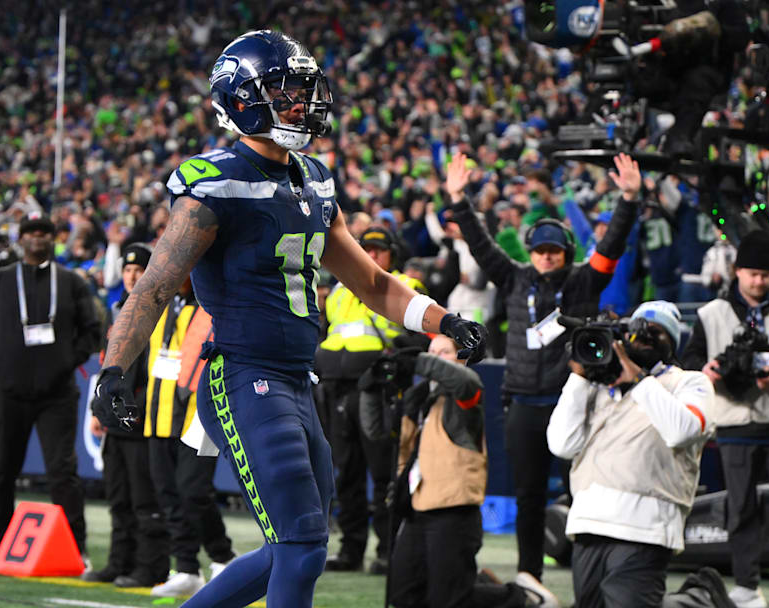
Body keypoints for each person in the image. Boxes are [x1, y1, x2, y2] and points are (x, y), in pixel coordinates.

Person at [92, 29, 485, 608]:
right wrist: (114, 370)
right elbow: (155, 285)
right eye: (283, 91)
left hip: (298, 380)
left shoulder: (313, 177)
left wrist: (443, 321)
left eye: (302, 89)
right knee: (299, 544)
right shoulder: (214, 183)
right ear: (243, 98)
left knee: (298, 548)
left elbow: (372, 282)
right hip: (243, 376)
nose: (300, 103)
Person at [447, 151, 642, 584]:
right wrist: (459, 200)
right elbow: (481, 245)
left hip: (572, 403)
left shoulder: (584, 281)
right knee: (528, 497)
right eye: (540, 251)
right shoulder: (514, 277)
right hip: (522, 404)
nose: (546, 257)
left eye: (554, 251)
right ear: (531, 253)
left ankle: (588, 577)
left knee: (585, 494)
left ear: (566, 253)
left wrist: (629, 198)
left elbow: (611, 245)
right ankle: (528, 579)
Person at [548, 301, 714, 607]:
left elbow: (681, 430)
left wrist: (637, 380)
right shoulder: (597, 386)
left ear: (674, 344)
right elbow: (562, 444)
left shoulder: (689, 382)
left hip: (645, 528)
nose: (646, 337)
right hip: (588, 522)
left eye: (658, 332)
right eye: (638, 332)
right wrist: (580, 378)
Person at [0, 211, 101, 570]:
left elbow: (92, 332)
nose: (37, 238)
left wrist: (65, 362)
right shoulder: (0, 281)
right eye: (30, 232)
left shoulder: (71, 282)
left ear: (53, 239)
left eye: (44, 232)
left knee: (63, 473)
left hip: (57, 393)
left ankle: (77, 550)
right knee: (1, 470)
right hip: (9, 391)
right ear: (20, 239)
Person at [383, 334, 557, 608]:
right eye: (431, 352)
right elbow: (378, 434)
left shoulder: (466, 394)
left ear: (461, 358)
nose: (435, 357)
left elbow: (465, 382)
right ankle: (489, 588)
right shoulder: (418, 399)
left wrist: (419, 360)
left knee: (449, 600)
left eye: (444, 352)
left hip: (454, 510)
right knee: (403, 593)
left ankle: (522, 600)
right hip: (417, 508)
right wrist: (370, 389)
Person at [682, 229, 769, 608]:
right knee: (740, 510)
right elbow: (689, 364)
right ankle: (746, 585)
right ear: (737, 271)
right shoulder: (710, 314)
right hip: (735, 425)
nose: (759, 281)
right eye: (752, 273)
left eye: (766, 275)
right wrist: (709, 372)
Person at [316, 227, 426, 574]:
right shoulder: (338, 290)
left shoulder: (406, 284)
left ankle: (388, 550)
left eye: (379, 250)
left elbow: (420, 337)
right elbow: (329, 331)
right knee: (346, 474)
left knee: (383, 473)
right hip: (338, 387)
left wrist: (397, 364)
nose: (373, 255)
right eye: (367, 249)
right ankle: (351, 550)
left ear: (392, 254)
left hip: (379, 389)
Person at [142, 277, 236, 598]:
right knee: (167, 491)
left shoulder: (216, 301)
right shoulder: (160, 303)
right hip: (159, 409)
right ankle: (186, 566)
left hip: (201, 411)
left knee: (193, 489)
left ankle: (223, 557)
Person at [84, 242, 170, 589]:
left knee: (143, 497)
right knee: (118, 496)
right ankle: (119, 562)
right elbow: (107, 364)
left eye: (139, 270)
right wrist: (98, 407)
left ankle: (150, 567)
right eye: (128, 271)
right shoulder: (115, 309)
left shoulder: (160, 311)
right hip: (116, 417)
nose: (133, 276)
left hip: (140, 416)